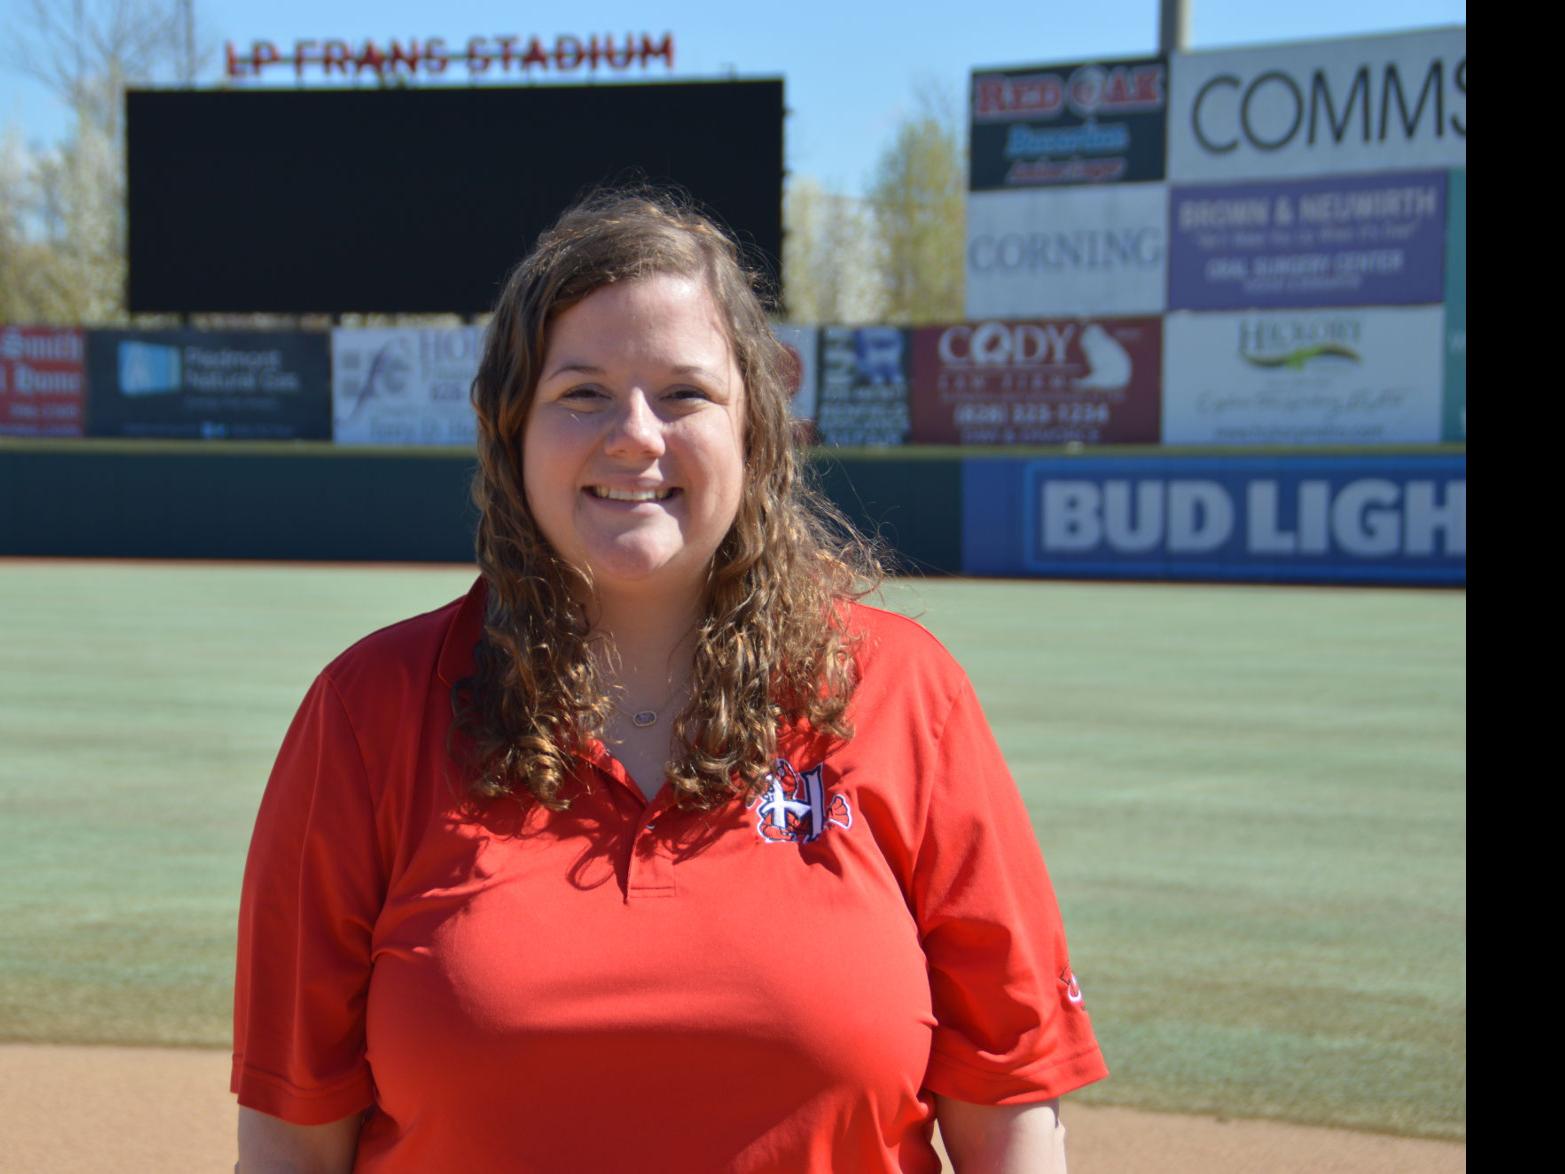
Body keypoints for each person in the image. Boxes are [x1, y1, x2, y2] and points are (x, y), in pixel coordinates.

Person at [231, 189, 1107, 1172]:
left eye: (683, 393)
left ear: (753, 427)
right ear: (512, 432)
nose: (637, 435)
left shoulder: (903, 693)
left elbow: (1009, 1118)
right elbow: (292, 1147)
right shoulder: (369, 710)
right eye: (582, 392)